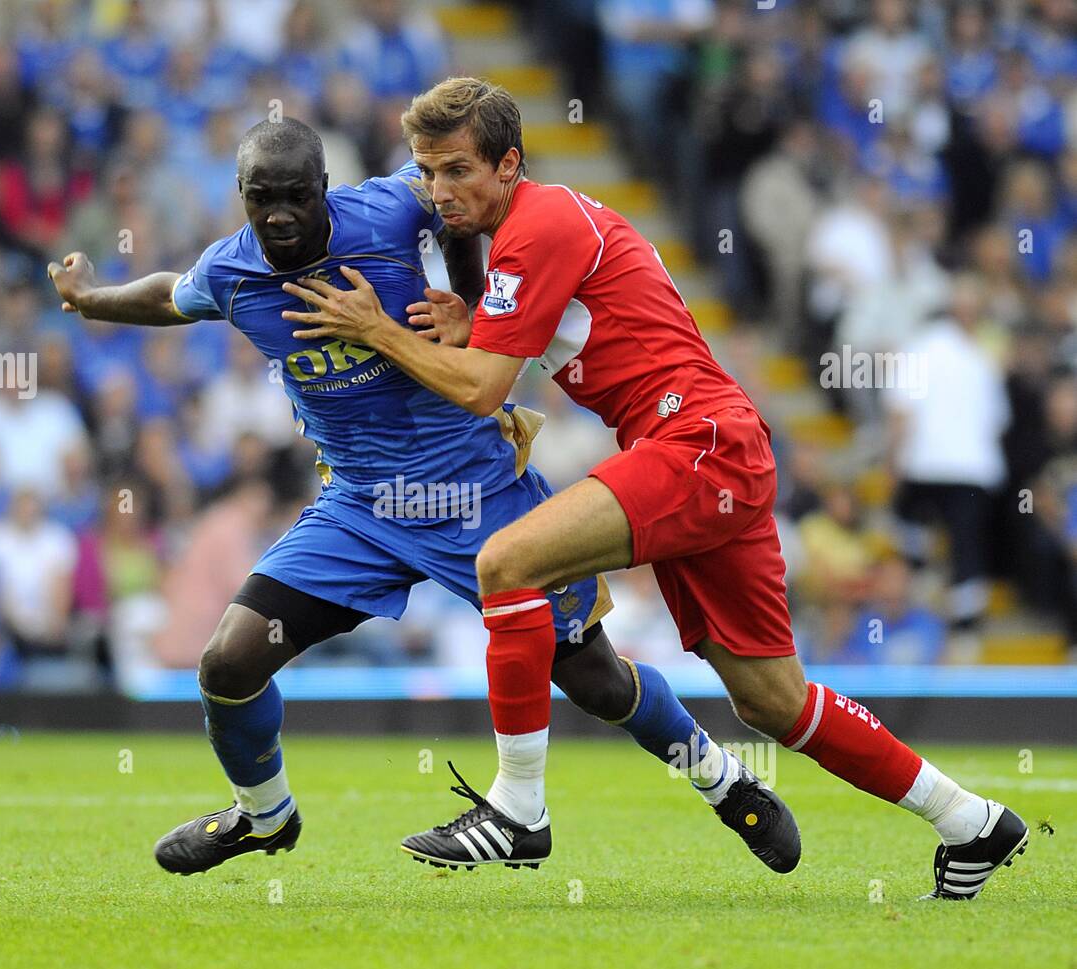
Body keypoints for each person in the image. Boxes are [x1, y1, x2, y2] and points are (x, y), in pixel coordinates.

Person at [280, 79, 1026, 900]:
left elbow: (486, 389)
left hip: (694, 441)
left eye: (458, 170)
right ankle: (973, 821)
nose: (440, 192)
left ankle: (519, 809)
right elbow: (539, 339)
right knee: (773, 701)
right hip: (712, 447)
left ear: (510, 163)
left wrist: (377, 329)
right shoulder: (535, 230)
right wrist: (472, 329)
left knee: (506, 563)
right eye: (427, 173)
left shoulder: (540, 225)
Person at [49, 116, 799, 876]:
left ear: (324, 191)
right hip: (362, 509)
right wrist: (91, 295)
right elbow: (168, 296)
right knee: (229, 664)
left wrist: (475, 306)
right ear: (240, 196)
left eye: (294, 196)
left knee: (598, 682)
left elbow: (460, 212)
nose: (277, 214)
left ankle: (721, 777)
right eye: (259, 198)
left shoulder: (389, 209)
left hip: (476, 491)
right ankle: (264, 814)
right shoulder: (232, 270)